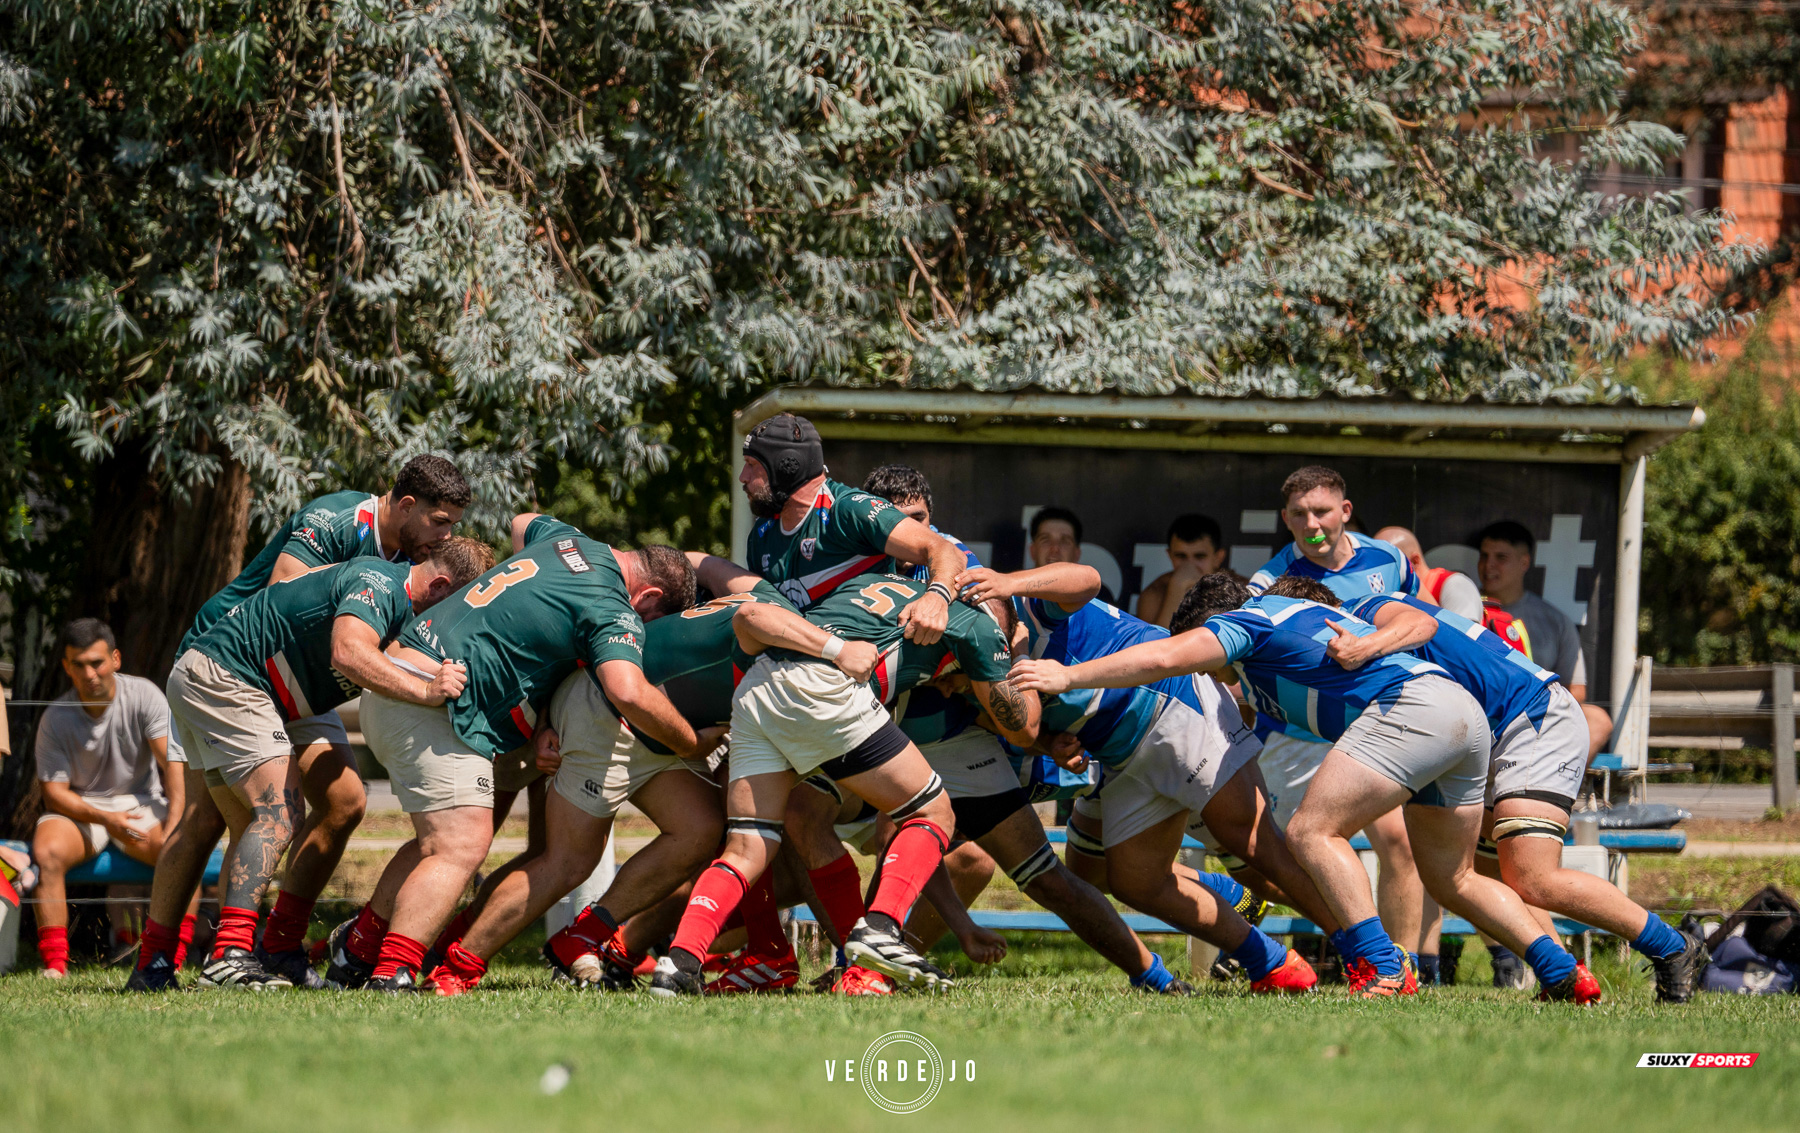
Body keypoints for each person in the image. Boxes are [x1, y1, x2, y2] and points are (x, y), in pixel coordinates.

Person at [1018, 573, 1593, 1001]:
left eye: (1206, 654)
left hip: (1418, 710)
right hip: (1461, 716)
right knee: (1456, 878)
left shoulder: (1247, 622)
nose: (1205, 669)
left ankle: (1384, 967)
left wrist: (1068, 675)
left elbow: (1168, 656)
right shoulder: (1278, 645)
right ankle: (1564, 971)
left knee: (1310, 833)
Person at [330, 514, 709, 992]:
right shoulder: (613, 605)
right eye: (651, 622)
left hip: (404, 676)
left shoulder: (569, 540)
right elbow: (627, 690)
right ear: (649, 596)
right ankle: (393, 973)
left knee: (438, 841)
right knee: (460, 843)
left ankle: (357, 953)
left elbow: (521, 522)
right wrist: (691, 743)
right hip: (435, 698)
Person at [137, 455, 472, 989]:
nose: (445, 536)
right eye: (440, 521)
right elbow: (287, 590)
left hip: (295, 682)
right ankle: (163, 959)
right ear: (407, 505)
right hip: (235, 659)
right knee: (214, 817)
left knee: (344, 802)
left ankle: (276, 947)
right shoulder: (336, 520)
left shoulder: (405, 562)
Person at [1341, 584, 1708, 1003]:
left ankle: (1673, 946)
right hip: (1479, 736)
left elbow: (1421, 625)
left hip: (1529, 718)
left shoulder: (1367, 612)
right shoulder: (1369, 615)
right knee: (1469, 879)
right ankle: (1565, 977)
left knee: (1533, 877)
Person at [429, 562, 777, 997]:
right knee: (566, 863)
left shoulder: (766, 593)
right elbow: (624, 683)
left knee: (701, 828)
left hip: (654, 728)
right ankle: (455, 967)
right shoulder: (794, 629)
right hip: (609, 714)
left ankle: (583, 934)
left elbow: (694, 560)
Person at [646, 575, 991, 997]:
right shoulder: (976, 624)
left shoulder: (863, 583)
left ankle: (679, 964)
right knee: (932, 811)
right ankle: (879, 930)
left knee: (748, 846)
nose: (951, 686)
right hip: (823, 690)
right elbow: (1022, 725)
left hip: (758, 691)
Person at [986, 566, 1324, 994]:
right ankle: (1273, 959)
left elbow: (1088, 579)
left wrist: (1010, 585)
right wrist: (1048, 742)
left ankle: (1375, 950)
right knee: (1114, 878)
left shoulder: (1017, 605)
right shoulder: (958, 651)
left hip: (1169, 707)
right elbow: (1017, 726)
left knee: (1261, 857)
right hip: (1117, 750)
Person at [1245, 467, 1433, 975]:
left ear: (1345, 511)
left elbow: (1423, 619)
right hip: (1296, 736)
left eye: (1322, 512)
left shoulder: (1389, 559)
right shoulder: (1267, 583)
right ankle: (1247, 938)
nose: (1312, 525)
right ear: (1285, 518)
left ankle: (1403, 968)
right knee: (1280, 863)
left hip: (1369, 726)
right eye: (1299, 515)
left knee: (1399, 843)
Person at [31, 619, 187, 979]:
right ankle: (55, 965)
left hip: (141, 804)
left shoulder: (144, 694)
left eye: (97, 662)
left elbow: (173, 762)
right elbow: (54, 795)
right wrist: (107, 819)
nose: (90, 673)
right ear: (66, 667)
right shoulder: (55, 718)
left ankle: (174, 957)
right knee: (46, 852)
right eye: (79, 664)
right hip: (82, 810)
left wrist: (178, 820)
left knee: (182, 849)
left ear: (115, 659)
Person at [738, 414, 964, 630]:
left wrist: (936, 598)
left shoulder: (850, 510)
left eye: (751, 464)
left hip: (870, 650)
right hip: (803, 653)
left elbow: (946, 550)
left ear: (787, 466)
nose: (742, 477)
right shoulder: (761, 534)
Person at [1477, 521, 1613, 759]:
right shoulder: (1462, 606)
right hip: (1478, 714)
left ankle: (1557, 782)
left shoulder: (1555, 621)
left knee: (1597, 720)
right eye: (1484, 556)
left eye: (1501, 557)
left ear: (1524, 563)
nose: (1489, 565)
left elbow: (1576, 691)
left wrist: (1533, 708)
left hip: (1537, 720)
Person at [1136, 514, 1229, 629]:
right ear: (1170, 555)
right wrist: (1176, 589)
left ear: (1218, 557)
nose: (1190, 565)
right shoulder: (1154, 594)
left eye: (1199, 556)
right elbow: (1156, 639)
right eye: (1181, 556)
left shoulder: (1241, 590)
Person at [1375, 526, 1482, 623]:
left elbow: (1465, 635)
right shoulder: (1386, 595)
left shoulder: (1455, 584)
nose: (1379, 572)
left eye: (1387, 565)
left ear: (1414, 561)